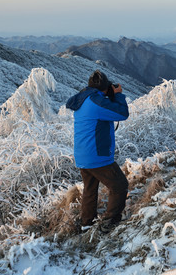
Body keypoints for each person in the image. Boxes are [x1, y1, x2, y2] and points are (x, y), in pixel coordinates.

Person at [66, 70, 129, 233]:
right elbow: (122, 113)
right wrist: (119, 95)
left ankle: (87, 223)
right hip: (96, 155)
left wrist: (109, 96)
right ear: (104, 88)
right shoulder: (96, 102)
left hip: (82, 154)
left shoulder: (84, 99)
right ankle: (110, 223)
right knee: (120, 185)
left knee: (90, 188)